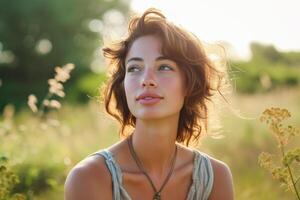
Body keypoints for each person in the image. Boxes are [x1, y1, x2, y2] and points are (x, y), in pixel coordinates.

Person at [65, 8, 234, 200]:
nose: (146, 80)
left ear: (190, 83)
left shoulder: (215, 178)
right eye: (135, 68)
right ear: (123, 85)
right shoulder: (89, 178)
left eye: (164, 67)